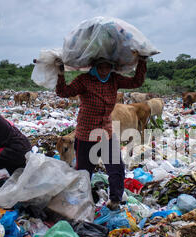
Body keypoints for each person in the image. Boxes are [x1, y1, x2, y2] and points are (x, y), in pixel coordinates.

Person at [55, 55, 147, 211]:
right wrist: (61, 73)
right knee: (84, 172)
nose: (104, 71)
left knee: (116, 168)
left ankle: (115, 201)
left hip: (106, 133)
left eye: (108, 67)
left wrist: (142, 61)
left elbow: (136, 82)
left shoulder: (114, 79)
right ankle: (80, 204)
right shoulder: (84, 80)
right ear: (94, 67)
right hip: (86, 134)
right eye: (101, 67)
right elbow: (63, 92)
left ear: (112, 67)